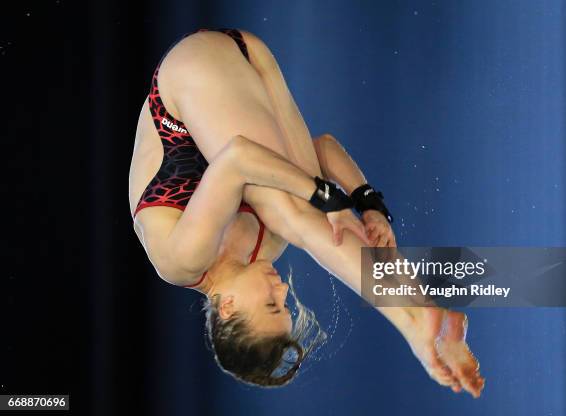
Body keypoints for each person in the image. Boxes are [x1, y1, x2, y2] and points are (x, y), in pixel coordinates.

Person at [128, 28, 484, 395]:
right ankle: (423, 307)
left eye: (271, 304)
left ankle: (411, 321)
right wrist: (368, 204)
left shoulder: (182, 261)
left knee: (291, 208)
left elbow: (237, 158)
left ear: (228, 307)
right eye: (285, 305)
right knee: (301, 213)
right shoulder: (267, 247)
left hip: (189, 69)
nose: (282, 288)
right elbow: (323, 149)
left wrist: (328, 198)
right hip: (252, 55)